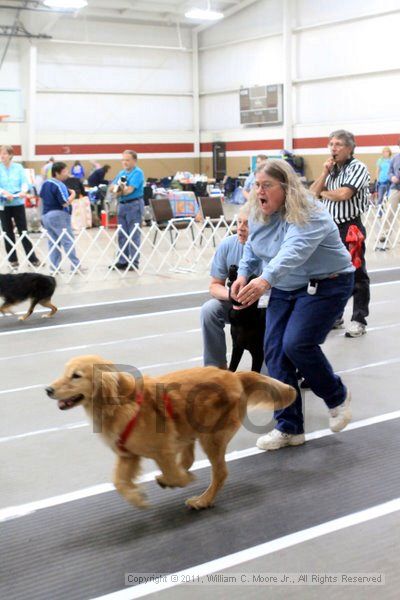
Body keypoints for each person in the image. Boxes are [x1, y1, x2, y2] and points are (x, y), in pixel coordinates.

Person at [231, 159, 355, 451]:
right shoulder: (259, 211)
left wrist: (263, 281)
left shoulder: (310, 213)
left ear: (285, 187)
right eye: (256, 185)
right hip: (285, 286)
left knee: (297, 344)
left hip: (327, 283)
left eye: (266, 185)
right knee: (274, 353)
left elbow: (292, 252)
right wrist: (243, 273)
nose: (258, 191)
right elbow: (252, 245)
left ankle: (336, 397)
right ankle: (289, 428)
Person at [309, 130, 370, 338]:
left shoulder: (358, 167)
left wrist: (323, 193)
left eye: (338, 145)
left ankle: (359, 319)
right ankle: (335, 316)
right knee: (330, 273)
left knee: (357, 273)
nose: (333, 148)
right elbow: (311, 194)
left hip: (350, 227)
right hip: (329, 229)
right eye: (331, 144)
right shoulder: (331, 169)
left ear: (350, 148)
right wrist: (325, 173)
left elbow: (344, 194)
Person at [200, 204, 253, 369]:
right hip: (236, 303)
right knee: (209, 310)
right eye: (238, 222)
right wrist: (231, 294)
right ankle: (216, 367)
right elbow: (215, 286)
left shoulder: (269, 246)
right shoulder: (227, 245)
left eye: (247, 224)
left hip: (264, 308)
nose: (241, 228)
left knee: (269, 378)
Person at [0, 145, 40, 268]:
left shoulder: (18, 167)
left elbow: (25, 182)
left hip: (18, 203)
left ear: (11, 155)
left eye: (5, 153)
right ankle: (13, 260)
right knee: (8, 232)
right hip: (4, 204)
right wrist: (4, 193)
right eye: (0, 153)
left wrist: (23, 191)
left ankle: (32, 259)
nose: (2, 156)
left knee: (23, 231)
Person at [40, 161, 82, 274]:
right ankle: (75, 266)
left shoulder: (45, 183)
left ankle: (55, 267)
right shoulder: (59, 185)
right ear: (57, 173)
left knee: (53, 242)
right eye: (65, 171)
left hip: (46, 215)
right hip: (58, 215)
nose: (67, 173)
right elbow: (64, 203)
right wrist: (73, 195)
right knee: (68, 241)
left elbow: (41, 199)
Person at [111, 150, 144, 270]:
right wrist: (118, 190)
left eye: (127, 160)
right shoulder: (121, 173)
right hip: (122, 205)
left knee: (133, 234)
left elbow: (129, 190)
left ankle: (134, 262)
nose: (125, 162)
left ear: (134, 161)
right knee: (122, 234)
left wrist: (118, 190)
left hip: (134, 205)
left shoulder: (138, 173)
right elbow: (111, 188)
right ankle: (122, 260)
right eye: (123, 160)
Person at [387, 138, 400, 217]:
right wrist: (392, 177)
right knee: (389, 212)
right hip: (395, 188)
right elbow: (389, 172)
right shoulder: (395, 158)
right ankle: (386, 230)